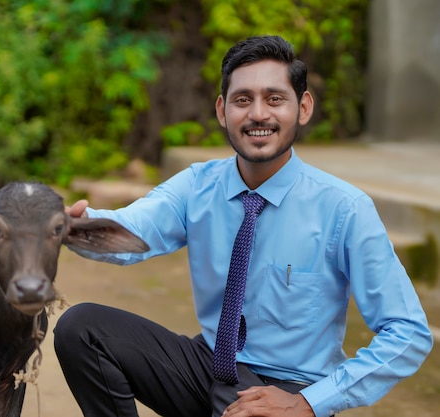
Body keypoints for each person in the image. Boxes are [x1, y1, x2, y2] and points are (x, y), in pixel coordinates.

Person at [53, 35, 433, 417]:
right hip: (209, 368)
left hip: (287, 389)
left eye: (274, 99)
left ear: (303, 108)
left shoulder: (344, 209)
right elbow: (134, 228)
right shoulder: (197, 185)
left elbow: (408, 333)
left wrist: (308, 403)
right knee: (81, 329)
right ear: (222, 110)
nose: (258, 114)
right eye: (242, 100)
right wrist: (71, 227)